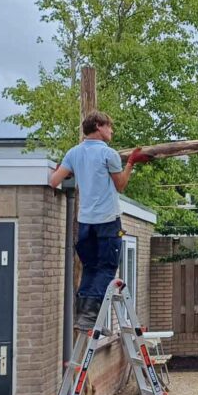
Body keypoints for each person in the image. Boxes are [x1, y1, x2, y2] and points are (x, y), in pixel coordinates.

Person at [49, 111, 152, 329]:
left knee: (90, 268)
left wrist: (66, 170)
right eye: (109, 126)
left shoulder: (73, 153)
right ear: (98, 126)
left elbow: (53, 181)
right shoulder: (109, 154)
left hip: (85, 223)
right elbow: (120, 185)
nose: (111, 130)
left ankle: (81, 315)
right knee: (106, 267)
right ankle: (89, 317)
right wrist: (131, 162)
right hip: (107, 221)